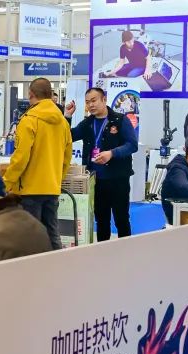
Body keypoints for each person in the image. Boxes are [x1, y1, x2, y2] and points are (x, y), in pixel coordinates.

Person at [4, 78, 72, 250]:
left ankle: (33, 268)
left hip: (30, 190)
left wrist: (7, 183)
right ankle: (58, 265)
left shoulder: (29, 120)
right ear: (50, 94)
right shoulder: (63, 122)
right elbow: (66, 157)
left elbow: (20, 157)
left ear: (30, 94)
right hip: (52, 188)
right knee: (52, 233)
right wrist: (57, 180)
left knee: (30, 238)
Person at [65, 88, 138, 241]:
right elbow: (67, 137)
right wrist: (67, 116)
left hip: (118, 179)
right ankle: (102, 251)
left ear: (104, 100)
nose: (91, 105)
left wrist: (112, 153)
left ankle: (127, 250)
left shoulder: (119, 120)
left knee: (121, 219)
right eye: (87, 102)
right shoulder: (87, 123)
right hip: (96, 180)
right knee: (101, 221)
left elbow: (132, 145)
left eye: (94, 100)